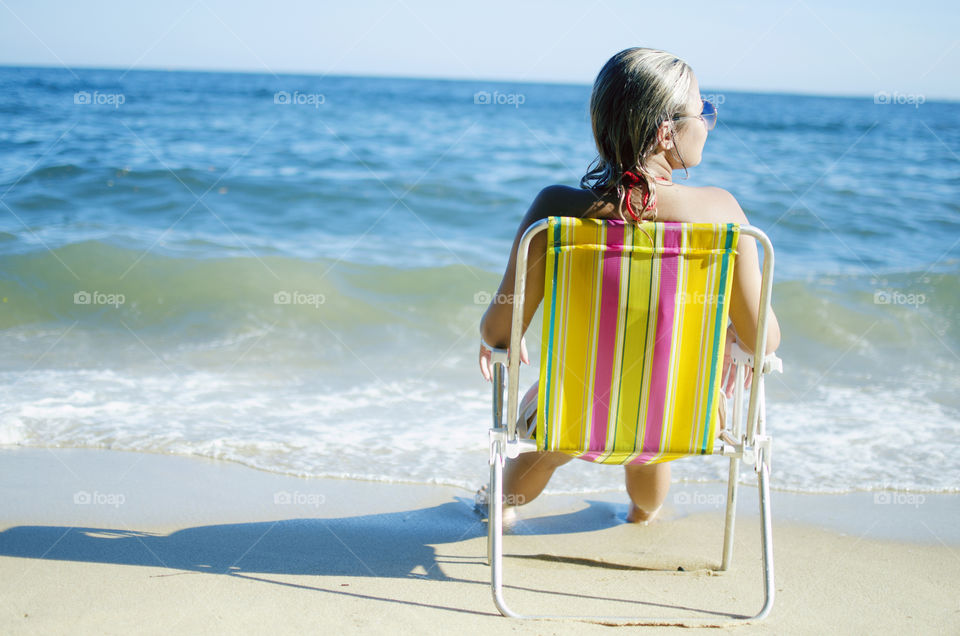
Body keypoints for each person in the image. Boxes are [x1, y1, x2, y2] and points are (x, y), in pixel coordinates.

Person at [477, 47, 781, 524]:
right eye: (703, 111)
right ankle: (643, 512)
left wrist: (496, 342)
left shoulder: (554, 209)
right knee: (658, 428)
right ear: (666, 132)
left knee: (554, 429)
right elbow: (763, 340)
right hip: (682, 418)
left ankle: (495, 507)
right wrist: (728, 338)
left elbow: (500, 329)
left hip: (573, 416)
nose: (708, 121)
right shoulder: (723, 212)